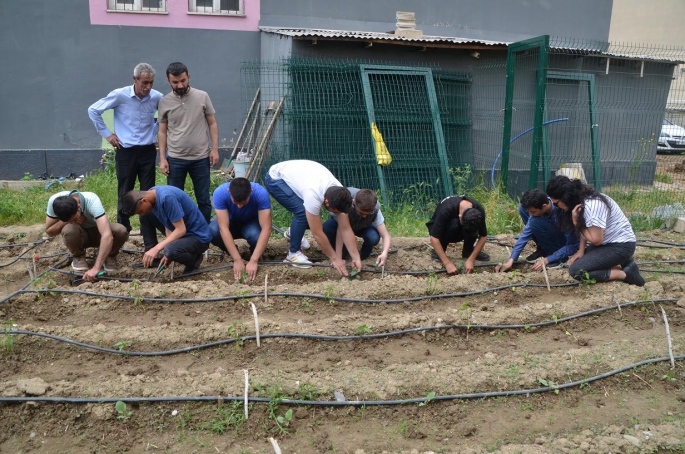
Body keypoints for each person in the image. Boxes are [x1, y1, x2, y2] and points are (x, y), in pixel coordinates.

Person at [87, 63, 163, 233]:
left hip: (147, 150)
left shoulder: (157, 97)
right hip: (126, 150)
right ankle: (123, 228)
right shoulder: (120, 95)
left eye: (151, 82)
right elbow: (93, 110)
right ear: (134, 79)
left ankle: (147, 229)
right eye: (144, 82)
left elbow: (166, 115)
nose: (148, 87)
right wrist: (108, 134)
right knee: (125, 189)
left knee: (148, 191)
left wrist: (155, 130)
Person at [264, 160, 362, 275]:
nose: (336, 215)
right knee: (302, 213)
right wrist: (335, 259)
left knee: (312, 216)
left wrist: (356, 257)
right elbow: (317, 233)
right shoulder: (313, 195)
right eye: (335, 212)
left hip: (301, 176)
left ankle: (294, 233)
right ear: (326, 201)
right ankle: (293, 254)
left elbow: (345, 228)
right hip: (276, 178)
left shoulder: (340, 193)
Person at [545, 175, 645, 286]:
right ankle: (624, 263)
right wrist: (581, 250)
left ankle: (625, 274)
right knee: (577, 262)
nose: (556, 206)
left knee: (577, 271)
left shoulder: (593, 205)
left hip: (621, 246)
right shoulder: (582, 200)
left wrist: (577, 223)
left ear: (565, 197)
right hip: (608, 244)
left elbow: (596, 240)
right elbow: (586, 230)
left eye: (556, 203)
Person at [157, 62, 219, 223]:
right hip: (175, 159)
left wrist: (215, 150)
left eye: (183, 80)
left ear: (188, 77)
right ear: (168, 81)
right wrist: (163, 159)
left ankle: (203, 234)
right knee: (174, 199)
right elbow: (162, 131)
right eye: (175, 82)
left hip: (200, 158)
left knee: (204, 199)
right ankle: (180, 233)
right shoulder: (164, 102)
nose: (180, 85)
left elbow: (212, 123)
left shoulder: (202, 96)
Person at [121, 186, 212, 275]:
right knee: (146, 217)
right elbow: (167, 223)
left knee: (170, 250)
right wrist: (167, 251)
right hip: (182, 232)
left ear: (144, 200)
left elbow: (181, 230)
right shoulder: (152, 194)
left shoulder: (167, 198)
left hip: (198, 237)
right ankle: (152, 258)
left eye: (141, 211)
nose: (142, 213)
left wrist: (158, 249)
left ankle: (194, 259)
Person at [45, 190, 129, 281]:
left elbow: (107, 235)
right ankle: (78, 256)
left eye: (74, 218)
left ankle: (110, 256)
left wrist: (96, 268)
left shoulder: (92, 200)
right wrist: (66, 222)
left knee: (120, 230)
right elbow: (49, 232)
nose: (71, 222)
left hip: (96, 232)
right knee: (69, 229)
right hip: (78, 235)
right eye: (68, 221)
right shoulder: (54, 201)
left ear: (78, 206)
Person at [496, 188, 579, 273]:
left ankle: (558, 257)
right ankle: (543, 249)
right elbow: (525, 235)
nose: (530, 215)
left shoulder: (561, 211)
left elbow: (573, 245)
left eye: (533, 212)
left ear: (544, 206)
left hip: (565, 242)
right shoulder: (539, 208)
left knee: (535, 222)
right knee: (523, 209)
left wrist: (548, 259)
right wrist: (511, 260)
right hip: (551, 231)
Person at [209, 177, 272, 282]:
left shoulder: (261, 193)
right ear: (229, 191)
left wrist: (253, 260)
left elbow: (266, 228)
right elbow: (223, 228)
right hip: (231, 222)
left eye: (243, 202)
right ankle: (234, 252)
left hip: (251, 223)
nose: (239, 206)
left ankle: (255, 254)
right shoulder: (220, 193)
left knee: (256, 236)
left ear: (250, 192)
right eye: (235, 202)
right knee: (212, 231)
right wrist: (237, 259)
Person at [322, 188, 391, 266]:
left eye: (368, 214)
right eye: (361, 213)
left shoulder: (374, 207)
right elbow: (341, 231)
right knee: (327, 228)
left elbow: (385, 236)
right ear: (354, 202)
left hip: (362, 227)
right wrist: (339, 257)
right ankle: (343, 254)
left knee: (373, 237)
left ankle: (363, 257)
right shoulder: (344, 202)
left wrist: (384, 253)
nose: (364, 216)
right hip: (343, 226)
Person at [426, 195, 490, 274]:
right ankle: (439, 250)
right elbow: (434, 238)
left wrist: (471, 260)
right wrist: (447, 263)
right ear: (460, 217)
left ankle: (468, 251)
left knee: (474, 226)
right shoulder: (446, 209)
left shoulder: (478, 210)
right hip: (441, 229)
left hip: (460, 227)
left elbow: (483, 236)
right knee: (454, 224)